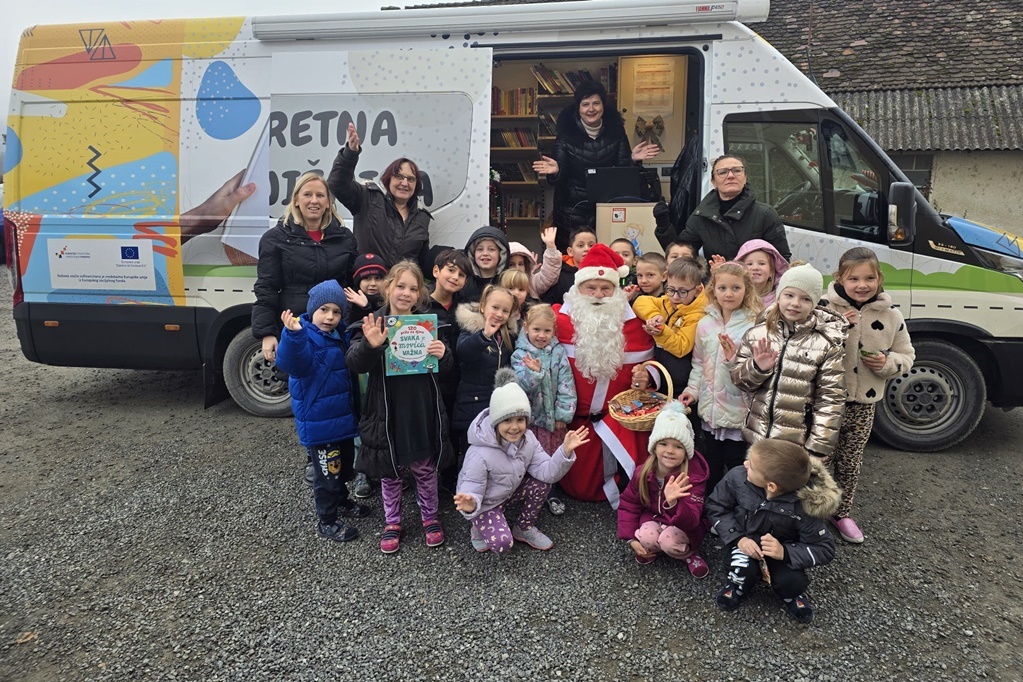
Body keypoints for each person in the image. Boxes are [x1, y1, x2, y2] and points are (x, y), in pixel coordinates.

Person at [345, 261, 454, 554]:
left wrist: (443, 355)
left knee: (424, 467)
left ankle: (430, 517)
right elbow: (354, 363)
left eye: (413, 288)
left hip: (420, 408)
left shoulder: (428, 324)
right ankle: (392, 522)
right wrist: (370, 345)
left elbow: (447, 367)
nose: (406, 293)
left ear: (420, 294)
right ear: (388, 286)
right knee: (390, 470)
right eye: (400, 286)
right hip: (386, 409)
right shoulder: (372, 323)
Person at [821, 247, 915, 544]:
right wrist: (839, 327)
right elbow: (809, 346)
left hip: (863, 404)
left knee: (850, 460)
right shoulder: (825, 307)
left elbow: (907, 355)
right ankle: (814, 515)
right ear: (839, 279)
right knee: (820, 459)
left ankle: (842, 512)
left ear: (879, 279)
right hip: (826, 400)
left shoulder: (891, 315)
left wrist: (888, 364)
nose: (862, 285)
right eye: (854, 279)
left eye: (869, 278)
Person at [553, 244, 656, 506]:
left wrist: (648, 375)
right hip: (573, 423)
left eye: (605, 288)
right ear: (579, 289)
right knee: (576, 487)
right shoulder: (558, 322)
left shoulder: (636, 325)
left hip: (619, 423)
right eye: (591, 288)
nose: (598, 294)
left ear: (616, 290)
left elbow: (654, 363)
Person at [705, 438, 841, 623]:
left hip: (782, 551)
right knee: (740, 570)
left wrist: (785, 552)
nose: (745, 464)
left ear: (771, 486)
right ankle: (737, 586)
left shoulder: (807, 506)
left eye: (751, 466)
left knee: (793, 583)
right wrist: (738, 539)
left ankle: (791, 595)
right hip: (747, 541)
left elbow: (824, 549)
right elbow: (716, 506)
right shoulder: (737, 477)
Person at [453, 368, 588, 554]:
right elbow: (471, 486)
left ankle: (523, 528)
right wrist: (471, 505)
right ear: (495, 421)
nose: (515, 427)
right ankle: (477, 526)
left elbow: (546, 472)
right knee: (502, 545)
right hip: (485, 503)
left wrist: (563, 452)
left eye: (520, 420)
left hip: (508, 493)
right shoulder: (479, 453)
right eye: (507, 420)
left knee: (542, 484)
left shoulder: (529, 439)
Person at [275, 279, 370, 542]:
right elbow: (293, 363)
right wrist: (292, 334)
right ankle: (326, 521)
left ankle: (342, 501)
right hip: (320, 422)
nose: (330, 317)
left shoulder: (341, 334)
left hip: (342, 419)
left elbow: (363, 340)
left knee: (342, 469)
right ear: (312, 310)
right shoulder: (302, 334)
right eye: (324, 310)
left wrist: (364, 310)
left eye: (336, 311)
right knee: (327, 474)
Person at [730, 263, 847, 459]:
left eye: (805, 298)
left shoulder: (826, 344)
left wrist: (818, 447)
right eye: (789, 295)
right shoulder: (757, 333)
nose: (795, 303)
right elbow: (739, 381)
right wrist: (758, 367)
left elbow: (831, 398)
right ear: (778, 296)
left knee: (787, 490)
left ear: (815, 303)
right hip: (757, 438)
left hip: (796, 446)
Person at [533, 81, 660, 251]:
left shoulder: (616, 131)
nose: (591, 109)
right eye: (585, 104)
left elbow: (622, 174)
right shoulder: (566, 135)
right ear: (578, 108)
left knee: (605, 254)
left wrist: (633, 160)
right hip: (571, 210)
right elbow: (557, 181)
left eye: (596, 103)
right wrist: (557, 171)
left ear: (603, 106)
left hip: (605, 207)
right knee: (574, 258)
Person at [252, 171, 358, 364]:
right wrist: (267, 333)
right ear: (296, 200)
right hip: (297, 328)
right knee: (302, 386)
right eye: (307, 194)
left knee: (336, 384)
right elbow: (266, 287)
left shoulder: (345, 239)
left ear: (328, 202)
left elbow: (351, 285)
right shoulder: (275, 239)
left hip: (335, 328)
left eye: (320, 195)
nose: (314, 201)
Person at [680, 261, 762, 494]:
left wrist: (733, 357)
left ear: (746, 290)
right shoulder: (705, 324)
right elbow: (698, 363)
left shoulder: (753, 324)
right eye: (723, 288)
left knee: (739, 467)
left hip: (739, 409)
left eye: (736, 288)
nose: (728, 293)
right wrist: (692, 391)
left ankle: (738, 508)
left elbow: (758, 370)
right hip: (710, 410)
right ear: (713, 289)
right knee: (711, 464)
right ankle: (712, 509)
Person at [617, 402, 710, 577]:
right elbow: (629, 503)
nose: (669, 451)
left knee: (669, 541)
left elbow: (692, 521)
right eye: (663, 444)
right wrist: (630, 538)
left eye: (678, 446)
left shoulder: (692, 478)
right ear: (654, 446)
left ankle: (690, 553)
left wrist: (673, 502)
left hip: (684, 526)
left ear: (687, 451)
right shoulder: (643, 472)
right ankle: (654, 548)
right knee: (645, 536)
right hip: (654, 517)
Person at [328, 122, 432, 272]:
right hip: (369, 287)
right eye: (399, 176)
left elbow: (419, 262)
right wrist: (350, 154)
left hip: (401, 292)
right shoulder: (367, 198)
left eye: (410, 179)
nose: (404, 183)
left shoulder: (422, 217)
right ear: (388, 179)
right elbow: (337, 184)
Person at [511, 304, 577, 516]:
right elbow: (520, 385)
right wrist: (535, 373)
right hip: (529, 420)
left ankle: (550, 492)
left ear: (554, 331)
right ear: (526, 327)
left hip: (551, 421)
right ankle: (525, 491)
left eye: (547, 331)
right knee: (527, 455)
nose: (541, 335)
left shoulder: (558, 352)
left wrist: (562, 415)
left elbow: (566, 385)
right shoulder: (520, 354)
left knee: (550, 456)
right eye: (536, 329)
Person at [669, 155, 791, 263]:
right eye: (722, 172)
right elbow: (680, 256)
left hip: (756, 287)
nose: (731, 176)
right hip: (716, 286)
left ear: (745, 178)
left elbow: (781, 259)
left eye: (737, 170)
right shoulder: (701, 216)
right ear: (713, 182)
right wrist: (664, 227)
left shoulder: (765, 214)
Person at [452, 285, 520, 457]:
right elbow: (463, 351)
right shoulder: (472, 328)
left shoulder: (508, 335)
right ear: (483, 306)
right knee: (472, 454)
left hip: (495, 403)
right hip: (472, 404)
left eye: (505, 311)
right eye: (495, 308)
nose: (499, 314)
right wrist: (484, 335)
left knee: (494, 452)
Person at [633, 257, 709, 395]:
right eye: (671, 289)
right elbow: (640, 302)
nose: (675, 297)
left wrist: (660, 331)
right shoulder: (667, 301)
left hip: (682, 385)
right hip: (662, 378)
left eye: (682, 292)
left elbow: (681, 347)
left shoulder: (698, 315)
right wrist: (653, 315)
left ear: (697, 291)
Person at [542, 225, 596, 306]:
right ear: (570, 251)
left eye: (591, 245)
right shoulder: (560, 276)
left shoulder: (603, 273)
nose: (587, 249)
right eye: (580, 245)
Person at [507, 227, 562, 300]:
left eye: (521, 264)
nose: (517, 268)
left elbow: (549, 275)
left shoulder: (531, 282)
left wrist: (551, 248)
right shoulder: (499, 284)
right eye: (511, 264)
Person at [460, 225, 511, 303]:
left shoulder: (508, 283)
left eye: (491, 249)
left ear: (501, 254)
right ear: (473, 254)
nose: (485, 253)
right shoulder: (464, 282)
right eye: (480, 249)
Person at [735, 238, 790, 307]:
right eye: (749, 264)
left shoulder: (779, 298)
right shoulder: (734, 296)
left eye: (761, 264)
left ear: (771, 272)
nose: (755, 268)